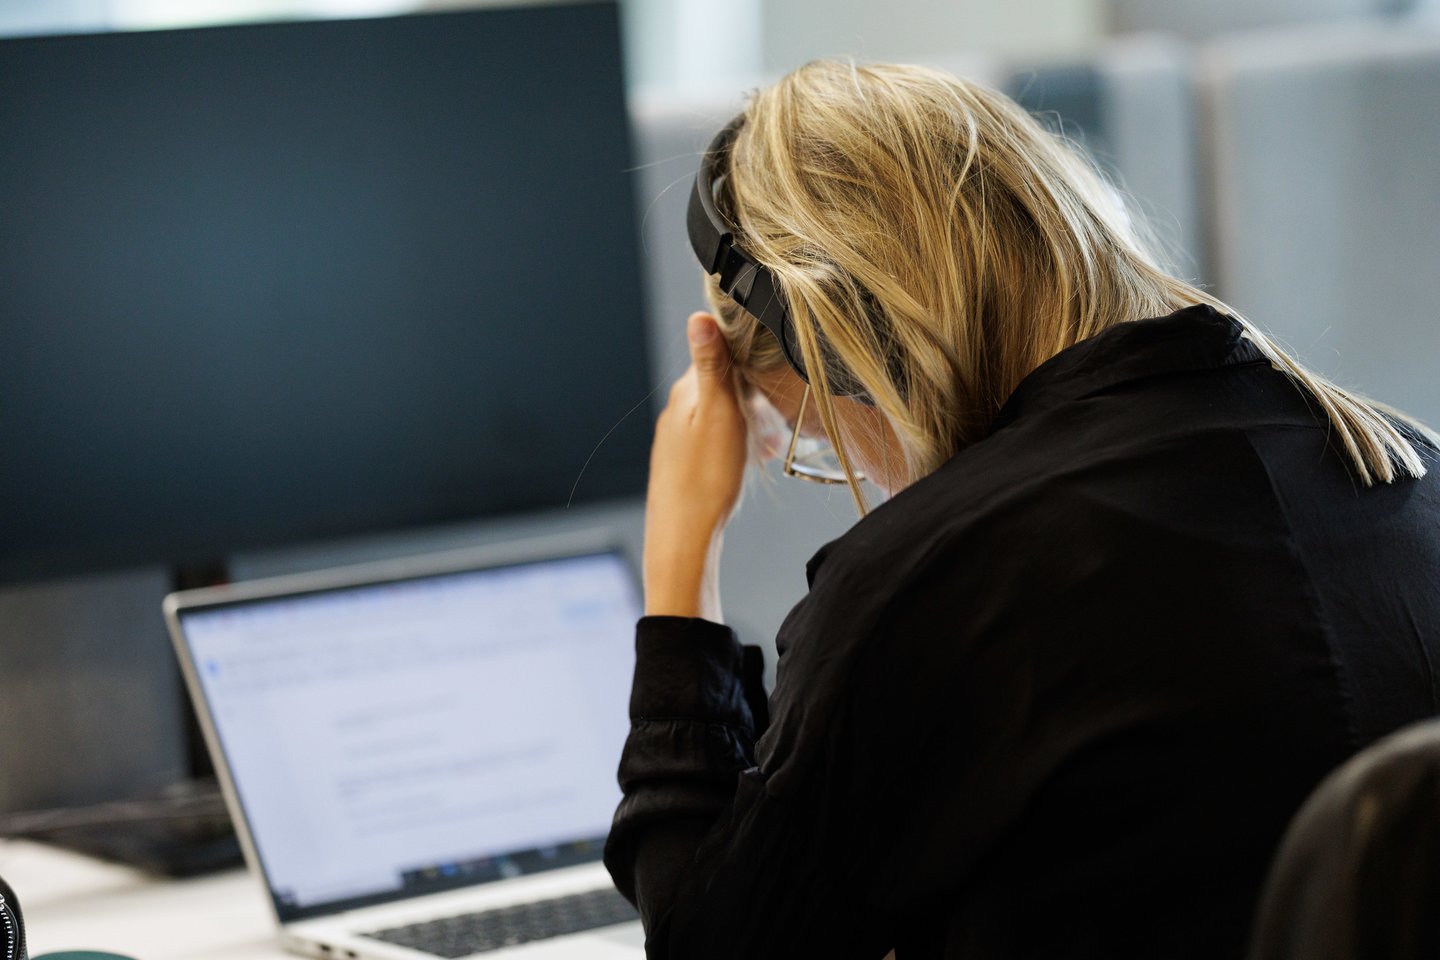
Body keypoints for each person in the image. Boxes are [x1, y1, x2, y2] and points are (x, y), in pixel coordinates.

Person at [602, 60, 1440, 960]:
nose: (869, 478)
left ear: (847, 349)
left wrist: (680, 563)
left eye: (819, 441)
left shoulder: (936, 580)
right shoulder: (1410, 467)